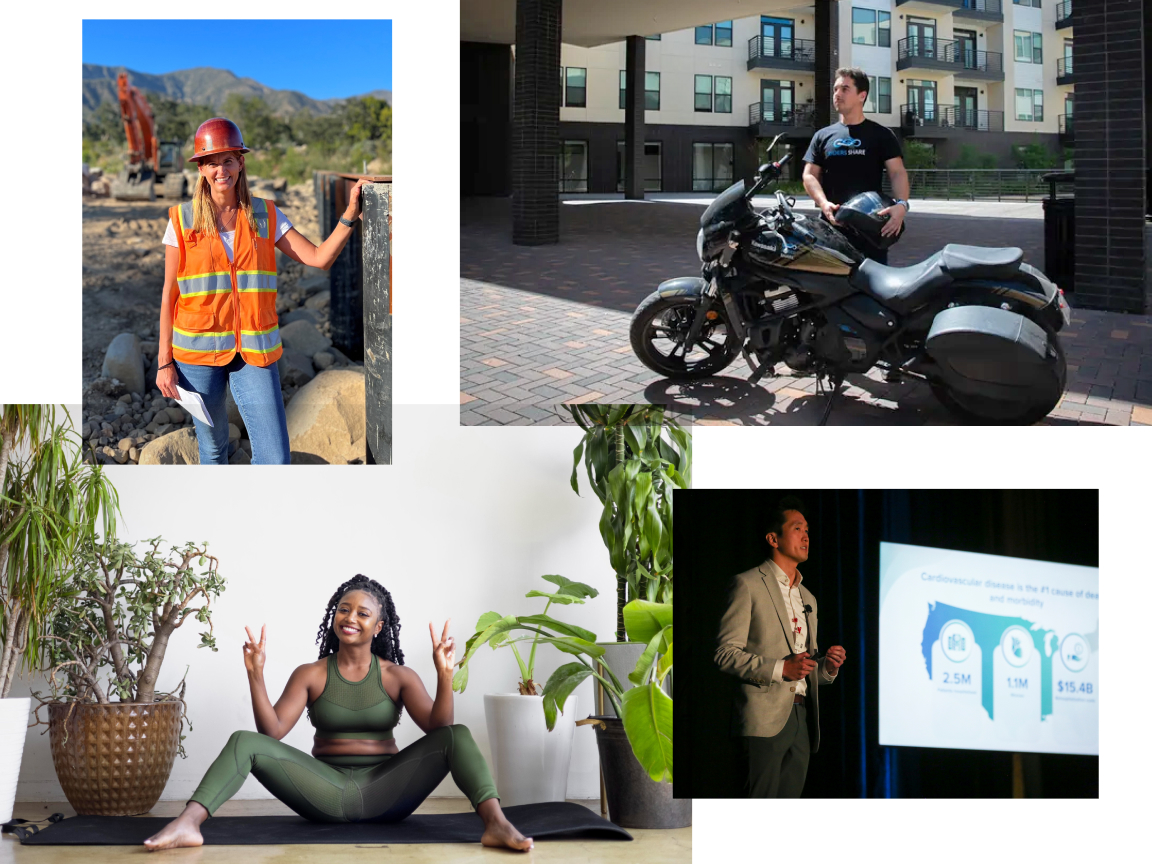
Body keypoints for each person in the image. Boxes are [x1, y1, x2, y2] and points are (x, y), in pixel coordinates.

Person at [144, 575, 533, 852]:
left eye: (363, 613)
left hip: (386, 790)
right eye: (344, 610)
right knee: (243, 741)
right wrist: (256, 675)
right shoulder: (311, 674)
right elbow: (272, 732)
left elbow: (441, 730)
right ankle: (188, 824)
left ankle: (495, 823)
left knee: (459, 734)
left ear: (379, 626)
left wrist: (444, 676)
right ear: (334, 617)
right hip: (323, 790)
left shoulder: (398, 676)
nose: (350, 618)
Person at [155, 117, 371, 465]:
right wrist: (165, 361)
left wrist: (348, 216)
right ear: (201, 168)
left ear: (241, 162)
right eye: (212, 162)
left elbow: (318, 258)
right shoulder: (181, 220)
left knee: (275, 457)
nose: (220, 169)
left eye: (228, 160)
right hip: (195, 355)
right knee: (212, 449)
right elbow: (169, 294)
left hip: (255, 351)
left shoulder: (266, 215)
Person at [714, 497, 847, 798]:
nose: (806, 536)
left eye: (808, 530)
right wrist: (780, 669)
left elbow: (805, 665)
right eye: (797, 528)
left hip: (802, 719)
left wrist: (826, 667)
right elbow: (724, 654)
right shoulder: (747, 584)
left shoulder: (808, 598)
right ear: (774, 538)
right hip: (762, 719)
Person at [802, 67, 911, 264]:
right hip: (831, 228)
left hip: (870, 228)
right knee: (829, 290)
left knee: (873, 289)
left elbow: (897, 173)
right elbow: (809, 175)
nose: (837, 94)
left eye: (844, 89)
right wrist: (823, 203)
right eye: (835, 89)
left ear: (862, 95)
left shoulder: (881, 134)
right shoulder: (822, 136)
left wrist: (902, 205)